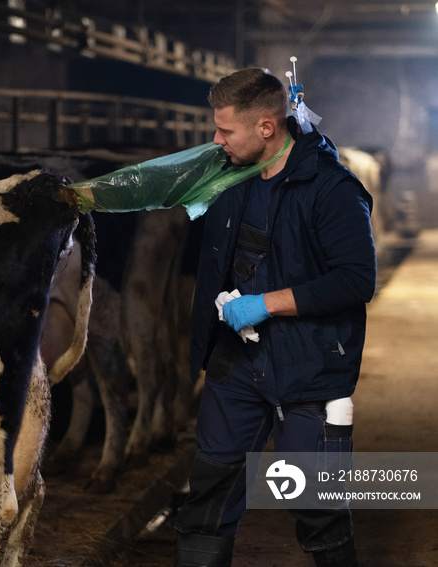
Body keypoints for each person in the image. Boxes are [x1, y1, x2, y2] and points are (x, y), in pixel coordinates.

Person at [173, 67, 376, 566]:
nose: (216, 140)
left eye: (225, 131)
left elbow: (355, 279)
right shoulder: (231, 180)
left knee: (316, 506)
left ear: (266, 126)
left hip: (306, 366)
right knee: (208, 496)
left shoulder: (331, 188)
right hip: (236, 366)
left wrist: (265, 303)